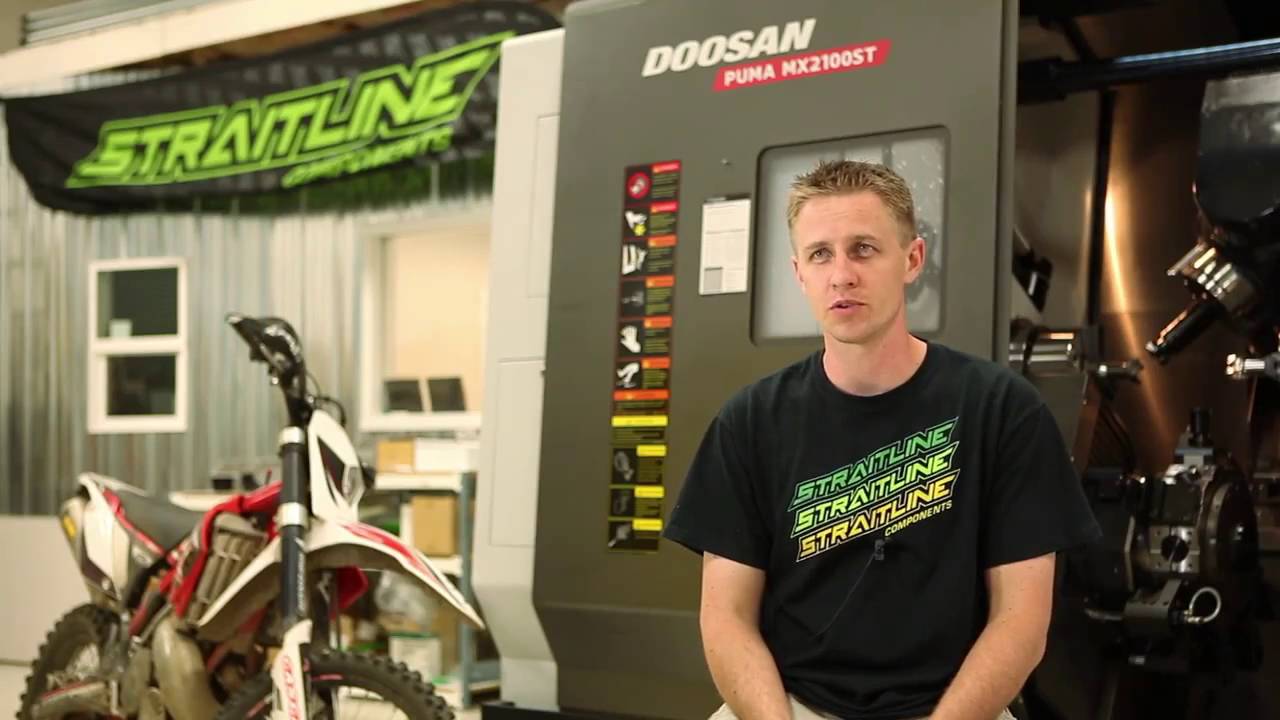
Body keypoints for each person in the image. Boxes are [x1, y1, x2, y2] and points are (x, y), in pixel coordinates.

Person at [662, 159, 1102, 720]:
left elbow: (1021, 622)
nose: (841, 274)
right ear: (799, 273)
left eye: (863, 249)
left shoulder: (1003, 412)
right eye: (820, 254)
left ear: (912, 259)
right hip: (790, 706)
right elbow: (726, 619)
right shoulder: (748, 423)